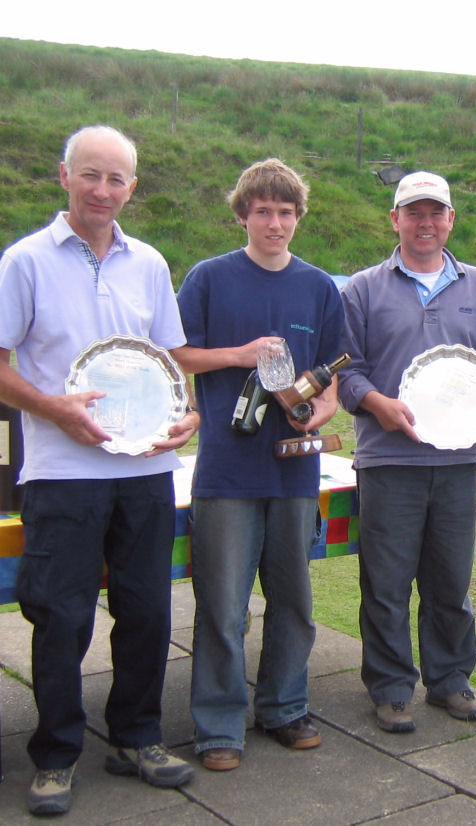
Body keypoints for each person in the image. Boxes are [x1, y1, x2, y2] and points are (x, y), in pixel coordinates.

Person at [0, 125, 198, 815]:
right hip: (62, 473)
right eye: (92, 175)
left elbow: (173, 359)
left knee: (147, 610)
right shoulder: (24, 262)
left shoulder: (148, 262)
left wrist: (188, 416)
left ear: (132, 187)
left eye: (117, 179)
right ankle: (55, 756)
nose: (103, 190)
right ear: (64, 176)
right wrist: (56, 410)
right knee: (60, 617)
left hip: (146, 467)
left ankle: (136, 737)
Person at [174, 159, 344, 770]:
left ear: (299, 217)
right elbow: (176, 355)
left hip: (293, 470)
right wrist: (239, 354)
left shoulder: (319, 288)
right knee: (222, 606)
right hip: (226, 471)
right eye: (263, 211)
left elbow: (333, 376)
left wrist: (316, 415)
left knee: (294, 600)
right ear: (244, 213)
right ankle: (218, 726)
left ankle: (284, 706)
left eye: (286, 212)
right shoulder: (209, 279)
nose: (275, 223)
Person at [337, 171, 476, 733]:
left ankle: (449, 680)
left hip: (458, 464)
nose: (425, 222)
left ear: (450, 221)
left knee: (449, 580)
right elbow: (346, 374)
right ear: (395, 219)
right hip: (388, 461)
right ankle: (392, 688)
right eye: (413, 212)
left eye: (435, 212)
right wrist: (377, 404)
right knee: (386, 584)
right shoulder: (363, 288)